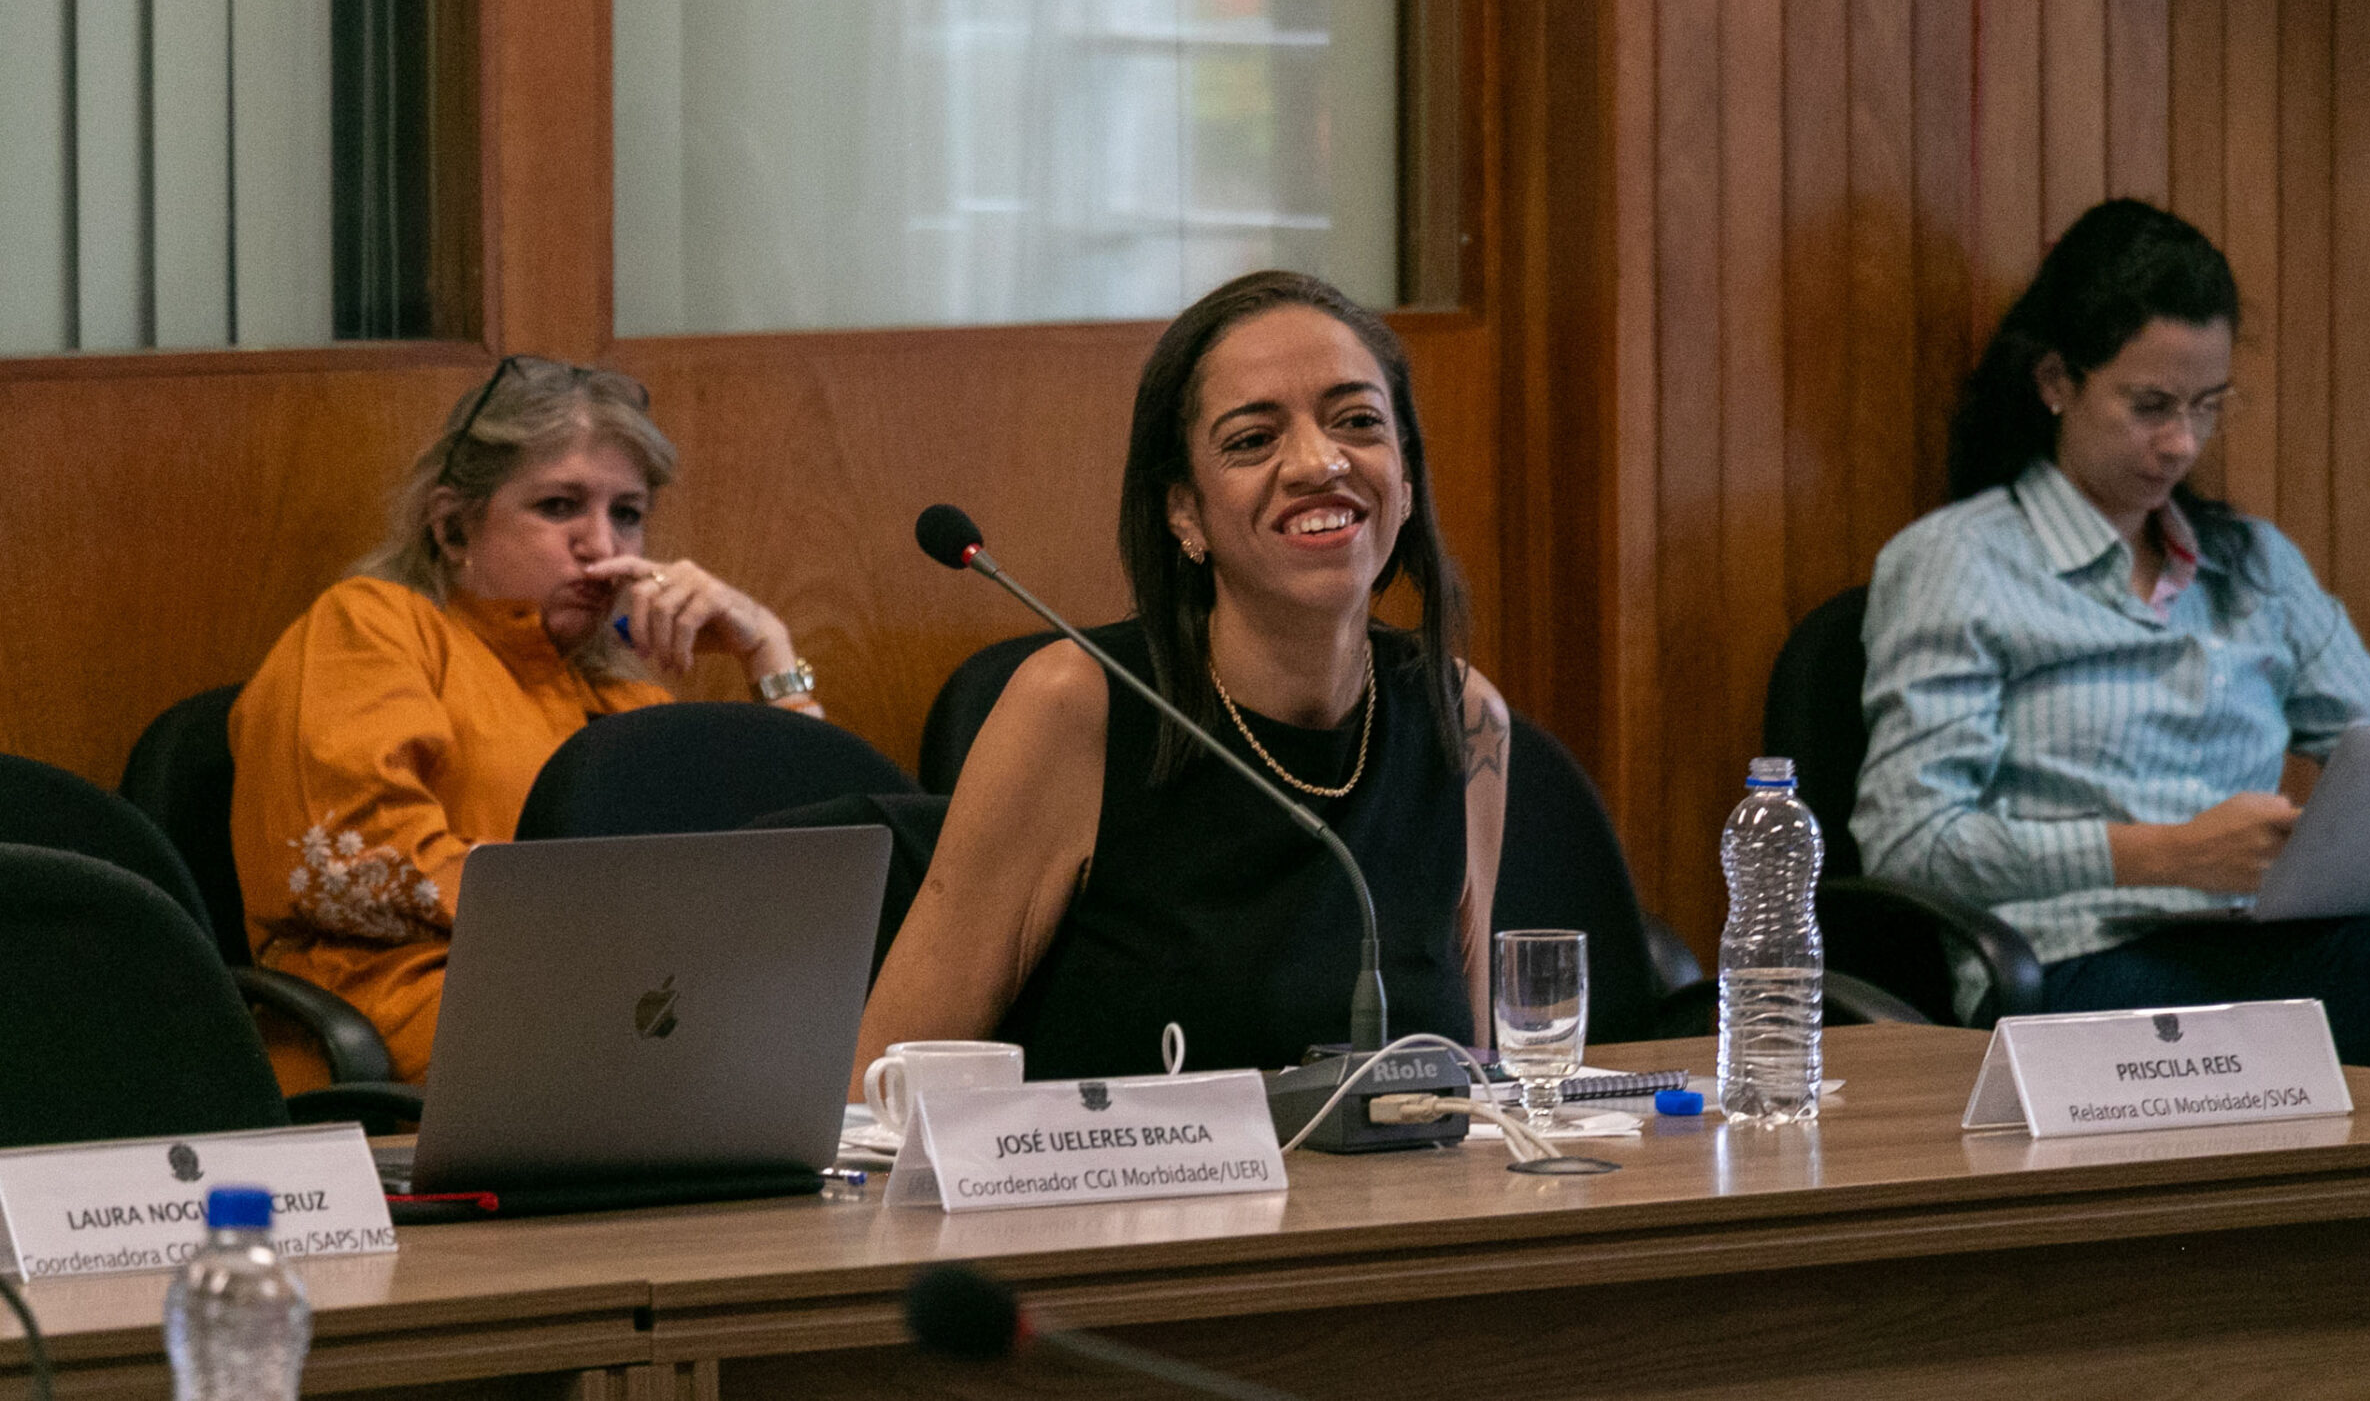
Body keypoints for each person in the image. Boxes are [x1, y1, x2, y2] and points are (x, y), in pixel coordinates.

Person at [1853, 198, 2370, 1080]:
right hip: (2077, 975)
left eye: (2207, 405)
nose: (2182, 442)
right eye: (2149, 405)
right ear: (2055, 382)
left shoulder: (2252, 567)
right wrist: (2169, 851)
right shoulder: (1960, 563)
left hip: (2262, 952)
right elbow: (1910, 840)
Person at [857, 271, 1510, 1080]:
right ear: (1185, 513)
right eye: (1251, 440)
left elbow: (1478, 1089)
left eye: (1358, 422)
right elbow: (876, 1095)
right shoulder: (1077, 706)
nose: (1318, 461)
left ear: (1406, 479)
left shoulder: (1464, 715)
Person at [231, 356, 822, 1088]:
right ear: (453, 528)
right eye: (559, 506)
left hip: (609, 1016)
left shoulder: (629, 705)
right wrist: (625, 931)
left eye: (627, 514)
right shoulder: (373, 626)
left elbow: (807, 885)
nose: (601, 546)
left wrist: (768, 648)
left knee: (814, 1029)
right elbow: (352, 867)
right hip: (405, 1027)